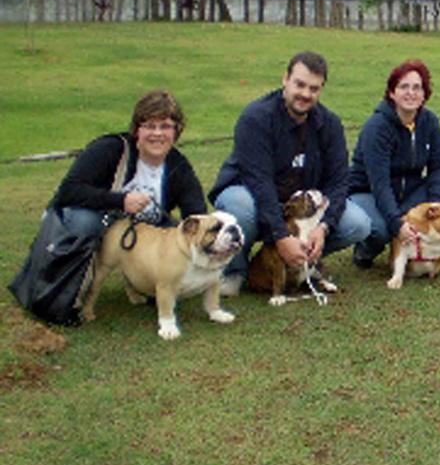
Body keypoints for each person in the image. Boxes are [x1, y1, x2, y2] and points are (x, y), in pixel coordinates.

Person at [209, 51, 371, 294]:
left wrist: (323, 227)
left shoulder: (329, 124)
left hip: (300, 209)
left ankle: (301, 261)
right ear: (285, 79)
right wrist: (281, 236)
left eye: (314, 88)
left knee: (359, 224)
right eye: (300, 84)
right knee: (239, 206)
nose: (306, 94)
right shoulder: (256, 118)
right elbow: (259, 183)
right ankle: (236, 271)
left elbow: (339, 182)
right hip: (253, 197)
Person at [347, 60, 440, 267]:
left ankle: (430, 248)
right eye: (404, 87)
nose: (411, 93)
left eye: (417, 87)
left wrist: (435, 206)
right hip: (369, 192)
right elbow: (380, 183)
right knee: (382, 227)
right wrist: (397, 223)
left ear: (424, 94)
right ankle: (366, 250)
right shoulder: (377, 128)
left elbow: (438, 167)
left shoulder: (429, 122)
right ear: (392, 93)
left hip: (409, 191)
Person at [50, 89, 206, 237]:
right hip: (92, 231)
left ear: (176, 131)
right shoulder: (111, 149)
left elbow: (197, 215)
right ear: (137, 130)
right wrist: (121, 201)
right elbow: (68, 192)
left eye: (165, 127)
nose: (157, 134)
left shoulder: (178, 166)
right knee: (84, 222)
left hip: (138, 241)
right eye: (150, 126)